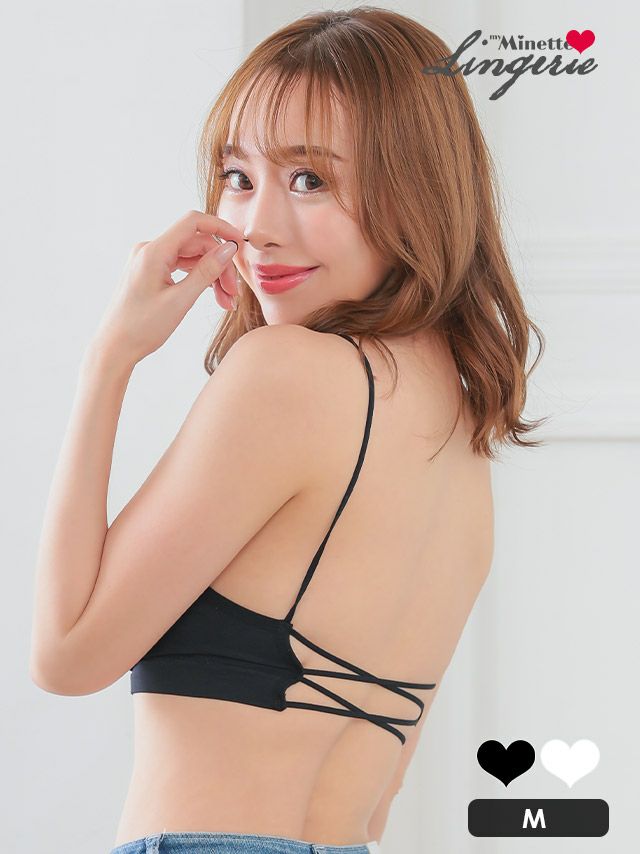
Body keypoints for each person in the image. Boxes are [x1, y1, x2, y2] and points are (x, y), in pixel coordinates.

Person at [31, 6, 547, 854]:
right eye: (237, 175)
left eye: (309, 179)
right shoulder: (459, 429)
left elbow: (66, 655)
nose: (258, 226)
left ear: (417, 187)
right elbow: (376, 802)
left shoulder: (285, 373)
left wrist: (109, 357)